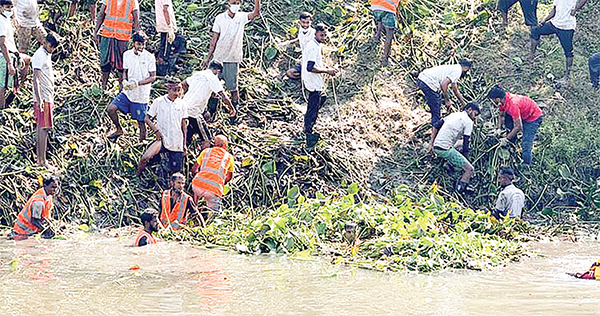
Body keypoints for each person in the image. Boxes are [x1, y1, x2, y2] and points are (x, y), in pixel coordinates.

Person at [204, 0, 261, 109]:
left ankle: (235, 109)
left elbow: (255, 14)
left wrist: (257, 1)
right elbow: (214, 39)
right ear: (227, 4)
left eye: (237, 2)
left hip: (232, 57)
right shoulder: (220, 18)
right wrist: (208, 57)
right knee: (213, 85)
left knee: (232, 87)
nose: (236, 5)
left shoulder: (241, 17)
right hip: (219, 57)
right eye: (233, 2)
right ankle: (211, 110)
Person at [106, 32, 156, 141]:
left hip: (141, 95)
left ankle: (141, 143)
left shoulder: (149, 57)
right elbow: (125, 71)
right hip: (128, 92)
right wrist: (124, 80)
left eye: (143, 44)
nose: (141, 47)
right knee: (111, 109)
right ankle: (119, 129)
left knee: (141, 122)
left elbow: (152, 77)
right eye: (139, 44)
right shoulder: (127, 55)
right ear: (133, 43)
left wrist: (138, 83)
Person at [529, 0, 589, 87]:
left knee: (568, 51)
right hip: (554, 24)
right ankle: (531, 57)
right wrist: (545, 20)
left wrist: (576, 9)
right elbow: (554, 10)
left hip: (566, 27)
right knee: (535, 31)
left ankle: (567, 77)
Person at [138, 77, 188, 176]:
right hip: (162, 138)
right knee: (145, 158)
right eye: (174, 90)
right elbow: (146, 119)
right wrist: (156, 131)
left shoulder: (182, 104)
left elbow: (184, 125)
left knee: (176, 173)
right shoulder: (159, 102)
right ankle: (137, 176)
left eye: (178, 90)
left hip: (176, 140)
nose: (176, 93)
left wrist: (184, 143)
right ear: (168, 89)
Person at [428, 103, 480, 193]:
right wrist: (466, 161)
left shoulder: (454, 114)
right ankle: (459, 192)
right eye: (475, 114)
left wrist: (431, 143)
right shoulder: (468, 122)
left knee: (459, 144)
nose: (475, 118)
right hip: (445, 149)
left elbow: (436, 125)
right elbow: (466, 144)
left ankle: (449, 163)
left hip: (437, 145)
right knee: (470, 169)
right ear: (470, 110)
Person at [182, 60, 235, 148]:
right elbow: (224, 96)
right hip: (194, 112)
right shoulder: (213, 78)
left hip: (183, 107)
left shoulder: (198, 74)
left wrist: (188, 93)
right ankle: (204, 158)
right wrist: (231, 108)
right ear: (217, 71)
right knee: (206, 138)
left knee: (188, 133)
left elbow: (183, 84)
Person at [302, 24, 337, 148]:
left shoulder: (315, 45)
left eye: (325, 35)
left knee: (321, 99)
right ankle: (308, 131)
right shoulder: (313, 47)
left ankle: (308, 121)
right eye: (321, 35)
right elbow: (310, 67)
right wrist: (327, 71)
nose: (323, 37)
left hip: (313, 81)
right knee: (313, 106)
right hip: (312, 81)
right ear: (315, 34)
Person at [487, 86, 543, 165]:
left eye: (492, 99)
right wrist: (498, 129)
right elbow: (501, 116)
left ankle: (527, 165)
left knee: (526, 144)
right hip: (522, 113)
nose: (491, 101)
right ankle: (512, 141)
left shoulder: (513, 105)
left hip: (533, 118)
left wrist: (506, 139)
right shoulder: (502, 101)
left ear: (497, 99)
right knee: (508, 119)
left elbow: (519, 127)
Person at [94, 0, 140, 91]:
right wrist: (96, 31)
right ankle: (103, 87)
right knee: (104, 61)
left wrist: (137, 37)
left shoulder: (132, 1)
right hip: (107, 34)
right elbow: (101, 15)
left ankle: (121, 87)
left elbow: (136, 20)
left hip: (123, 37)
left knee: (121, 64)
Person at [32, 33, 59, 170]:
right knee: (44, 128)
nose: (52, 49)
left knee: (41, 128)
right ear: (44, 42)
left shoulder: (46, 54)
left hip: (47, 95)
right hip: (43, 97)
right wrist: (40, 99)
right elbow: (35, 79)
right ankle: (42, 161)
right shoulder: (39, 55)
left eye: (54, 48)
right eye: (51, 46)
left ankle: (40, 160)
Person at [417, 59, 472, 126]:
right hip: (429, 82)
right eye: (468, 70)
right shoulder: (458, 71)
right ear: (465, 67)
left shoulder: (454, 68)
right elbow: (444, 85)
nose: (466, 73)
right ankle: (435, 128)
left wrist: (463, 104)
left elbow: (455, 89)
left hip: (422, 78)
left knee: (436, 101)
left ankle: (434, 124)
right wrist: (447, 100)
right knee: (436, 109)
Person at [191, 135, 234, 214]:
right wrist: (220, 183)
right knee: (214, 215)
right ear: (225, 145)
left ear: (214, 144)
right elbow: (228, 177)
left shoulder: (206, 151)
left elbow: (194, 169)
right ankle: (208, 222)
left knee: (197, 185)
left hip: (197, 187)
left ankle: (194, 208)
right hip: (213, 191)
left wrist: (199, 177)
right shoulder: (229, 157)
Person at [0, 0, 30, 109]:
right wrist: (9, 63)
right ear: (0, 7)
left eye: (11, 7)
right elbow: (2, 44)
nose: (10, 9)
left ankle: (21, 85)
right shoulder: (1, 21)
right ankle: (2, 108)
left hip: (12, 53)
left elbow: (10, 42)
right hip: (4, 55)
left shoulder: (6, 18)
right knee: (2, 84)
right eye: (7, 7)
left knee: (27, 60)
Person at [12, 175, 59, 240]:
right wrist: (45, 230)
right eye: (52, 187)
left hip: (31, 230)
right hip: (22, 231)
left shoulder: (48, 196)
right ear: (45, 185)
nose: (55, 190)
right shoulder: (38, 202)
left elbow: (45, 216)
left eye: (56, 187)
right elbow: (34, 220)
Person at [282, 12, 314, 79]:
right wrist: (287, 43)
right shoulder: (301, 30)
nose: (305, 25)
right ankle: (304, 75)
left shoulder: (314, 34)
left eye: (307, 22)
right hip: (304, 62)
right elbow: (300, 39)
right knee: (289, 73)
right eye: (303, 22)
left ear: (311, 22)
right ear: (300, 22)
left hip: (312, 64)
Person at [371, 0, 400, 66]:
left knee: (380, 19)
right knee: (389, 35)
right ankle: (385, 60)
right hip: (388, 8)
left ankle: (377, 37)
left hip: (375, 7)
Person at [154, 0, 177, 75]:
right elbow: (165, 10)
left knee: (163, 48)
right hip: (166, 27)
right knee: (165, 51)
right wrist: (169, 26)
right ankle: (162, 73)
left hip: (164, 26)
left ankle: (162, 71)